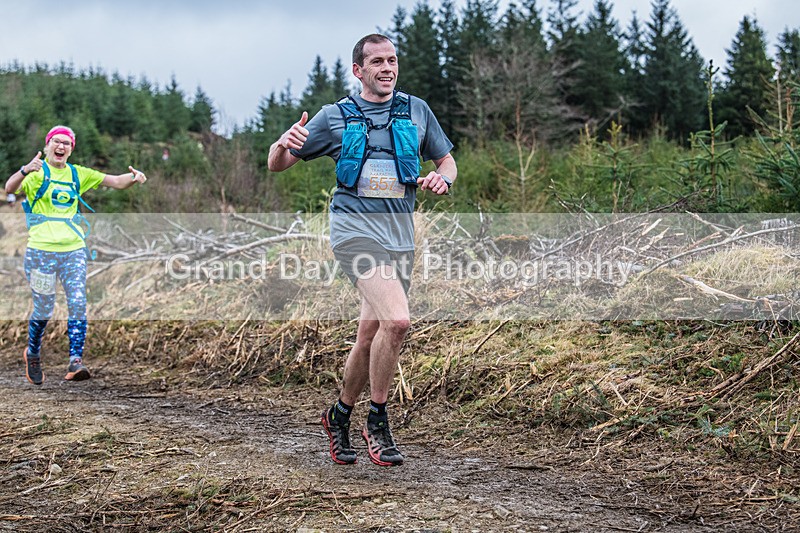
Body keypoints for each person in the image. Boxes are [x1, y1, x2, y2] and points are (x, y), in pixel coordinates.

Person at [268, 34, 457, 466]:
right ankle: (377, 419)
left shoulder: (416, 110)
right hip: (354, 231)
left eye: (392, 60)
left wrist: (443, 179)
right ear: (359, 70)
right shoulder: (335, 117)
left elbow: (446, 161)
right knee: (398, 320)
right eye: (377, 62)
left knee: (370, 334)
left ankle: (338, 415)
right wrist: (282, 144)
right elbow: (276, 165)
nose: (387, 68)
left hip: (400, 235)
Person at [4, 125, 148, 386]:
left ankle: (75, 360)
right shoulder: (37, 174)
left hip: (73, 250)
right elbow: (10, 188)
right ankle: (33, 351)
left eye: (66, 143)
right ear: (47, 146)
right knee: (44, 308)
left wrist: (135, 178)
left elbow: (114, 181)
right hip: (41, 252)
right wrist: (25, 169)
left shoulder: (78, 174)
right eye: (56, 142)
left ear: (71, 149)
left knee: (78, 301)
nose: (61, 147)